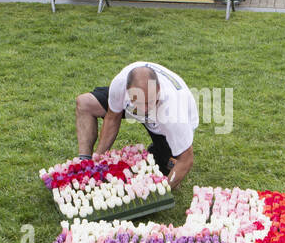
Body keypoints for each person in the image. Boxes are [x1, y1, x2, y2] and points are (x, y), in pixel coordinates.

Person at [75, 62, 198, 190]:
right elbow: (112, 118)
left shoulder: (173, 111)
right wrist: (97, 158)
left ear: (158, 89)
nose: (144, 109)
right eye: (139, 102)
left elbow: (187, 159)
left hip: (163, 122)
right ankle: (83, 162)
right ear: (127, 91)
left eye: (149, 102)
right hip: (139, 106)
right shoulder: (120, 84)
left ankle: (158, 152)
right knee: (85, 103)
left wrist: (164, 191)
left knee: (169, 167)